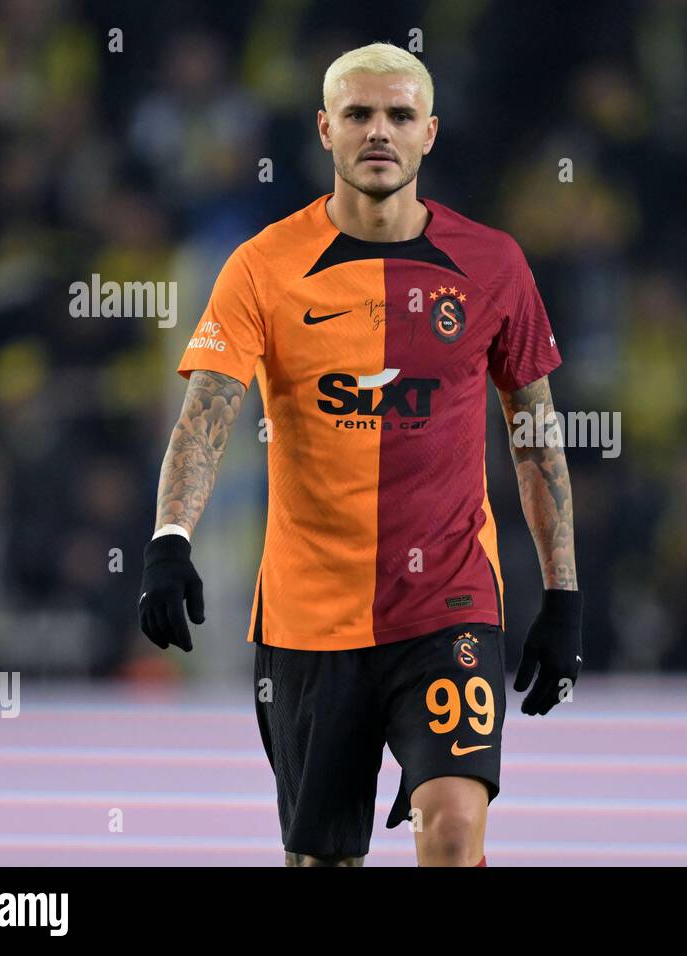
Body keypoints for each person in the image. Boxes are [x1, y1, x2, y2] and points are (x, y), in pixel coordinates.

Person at [136, 42, 582, 867]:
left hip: (446, 604)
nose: (380, 131)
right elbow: (205, 415)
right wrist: (171, 539)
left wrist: (563, 594)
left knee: (451, 827)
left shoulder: (494, 265)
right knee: (321, 861)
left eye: (400, 116)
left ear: (430, 134)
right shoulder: (263, 267)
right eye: (359, 115)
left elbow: (535, 435)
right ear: (325, 130)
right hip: (309, 619)